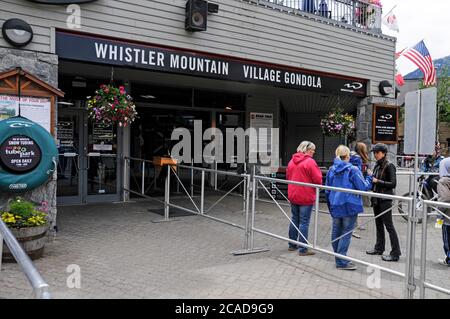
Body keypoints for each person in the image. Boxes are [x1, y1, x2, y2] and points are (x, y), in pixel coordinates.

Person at [326, 145, 372, 270]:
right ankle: (341, 261)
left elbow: (327, 190)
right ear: (347, 156)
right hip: (350, 204)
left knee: (336, 231)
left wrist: (330, 205)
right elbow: (363, 187)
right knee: (346, 233)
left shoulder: (331, 169)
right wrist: (369, 177)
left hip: (335, 203)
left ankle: (338, 258)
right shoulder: (353, 169)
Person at [286, 141, 323, 256]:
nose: (313, 152)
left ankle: (292, 245)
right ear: (307, 150)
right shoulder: (310, 162)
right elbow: (318, 179)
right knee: (304, 222)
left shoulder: (292, 161)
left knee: (294, 219)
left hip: (293, 194)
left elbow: (288, 176)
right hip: (305, 195)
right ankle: (303, 249)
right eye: (312, 149)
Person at [367, 143, 401, 262]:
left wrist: (377, 180)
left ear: (383, 153)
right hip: (377, 198)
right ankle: (379, 248)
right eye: (374, 153)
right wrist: (372, 176)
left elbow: (393, 184)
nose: (375, 155)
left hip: (385, 199)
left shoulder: (389, 165)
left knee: (389, 226)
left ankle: (395, 253)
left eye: (377, 152)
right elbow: (375, 181)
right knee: (378, 224)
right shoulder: (377, 165)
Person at [350, 142, 370, 239]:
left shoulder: (354, 156)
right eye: (364, 148)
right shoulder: (357, 158)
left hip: (356, 184)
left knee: (357, 206)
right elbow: (357, 172)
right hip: (357, 185)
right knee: (355, 206)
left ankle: (356, 225)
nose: (366, 150)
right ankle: (352, 229)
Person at [436, 158, 450, 267]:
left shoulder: (443, 181)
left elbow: (444, 199)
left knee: (447, 238)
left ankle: (449, 259)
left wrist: (439, 215)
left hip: (447, 216)